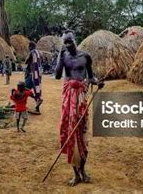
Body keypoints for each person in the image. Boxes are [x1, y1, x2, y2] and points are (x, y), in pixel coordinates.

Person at [55, 30, 104, 187]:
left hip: (82, 99)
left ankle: (83, 170)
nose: (68, 44)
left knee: (82, 135)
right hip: (69, 99)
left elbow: (90, 77)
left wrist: (97, 83)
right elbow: (57, 75)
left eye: (70, 41)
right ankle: (75, 174)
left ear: (74, 40)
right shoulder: (64, 56)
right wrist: (59, 58)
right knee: (70, 133)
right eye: (65, 43)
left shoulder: (86, 56)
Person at [25, 41, 43, 113]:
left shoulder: (32, 52)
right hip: (37, 74)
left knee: (25, 88)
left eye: (29, 46)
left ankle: (37, 99)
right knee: (36, 89)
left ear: (31, 46)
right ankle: (37, 108)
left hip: (32, 74)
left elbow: (26, 61)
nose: (28, 48)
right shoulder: (38, 53)